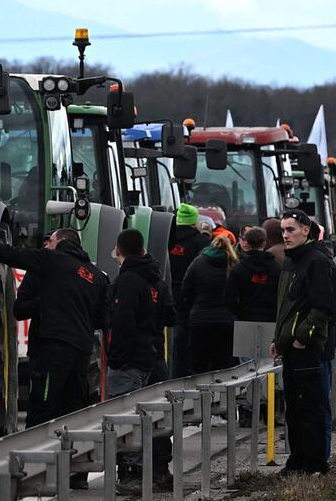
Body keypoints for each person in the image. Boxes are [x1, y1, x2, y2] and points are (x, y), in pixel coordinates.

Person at [0, 225, 108, 425]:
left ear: (60, 243)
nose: (46, 245)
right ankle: (71, 453)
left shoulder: (53, 260)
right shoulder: (97, 276)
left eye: (51, 241)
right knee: (73, 408)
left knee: (43, 406)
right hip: (82, 352)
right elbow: (103, 319)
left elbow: (12, 254)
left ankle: (39, 452)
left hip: (53, 348)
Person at [107, 229, 173, 493]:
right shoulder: (155, 279)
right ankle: (159, 472)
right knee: (157, 417)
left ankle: (132, 474)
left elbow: (122, 322)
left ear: (119, 250)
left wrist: (116, 358)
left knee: (127, 418)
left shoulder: (128, 280)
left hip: (131, 361)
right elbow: (171, 315)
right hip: (154, 356)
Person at [271, 209, 336, 476]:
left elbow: (323, 307)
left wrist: (301, 337)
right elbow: (286, 307)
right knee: (294, 410)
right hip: (290, 348)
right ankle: (297, 460)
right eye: (283, 230)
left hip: (307, 349)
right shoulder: (292, 261)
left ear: (306, 230)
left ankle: (315, 464)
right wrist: (280, 339)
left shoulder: (316, 262)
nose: (285, 235)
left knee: (311, 407)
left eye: (291, 230)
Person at [225, 227, 281, 426]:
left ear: (246, 243)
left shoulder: (239, 269)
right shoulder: (276, 268)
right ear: (265, 243)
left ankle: (248, 414)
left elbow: (229, 298)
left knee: (246, 371)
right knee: (269, 369)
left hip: (245, 324)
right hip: (270, 324)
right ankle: (270, 412)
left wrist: (241, 313)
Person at [182, 235, 239, 373]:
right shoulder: (234, 264)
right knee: (223, 366)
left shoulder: (198, 262)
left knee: (198, 365)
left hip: (200, 319)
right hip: (227, 321)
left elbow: (186, 289)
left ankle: (200, 394)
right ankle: (220, 395)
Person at [169, 203, 211, 377]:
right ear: (194, 221)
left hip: (171, 292)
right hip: (194, 296)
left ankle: (176, 373)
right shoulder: (201, 241)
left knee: (176, 336)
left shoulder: (166, 237)